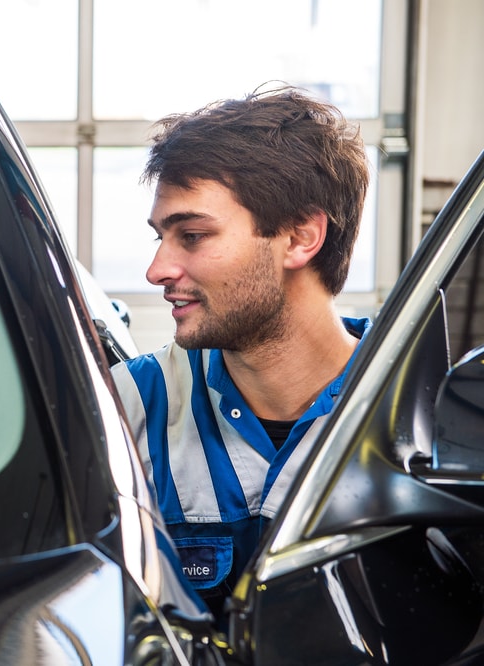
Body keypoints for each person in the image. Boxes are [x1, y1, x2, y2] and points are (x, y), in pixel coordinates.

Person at [111, 86, 373, 617]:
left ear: (301, 238)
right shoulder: (127, 408)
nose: (157, 270)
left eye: (192, 235)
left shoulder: (408, 414)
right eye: (160, 238)